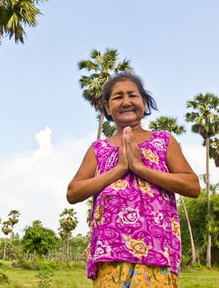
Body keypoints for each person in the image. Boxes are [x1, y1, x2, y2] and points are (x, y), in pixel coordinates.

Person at [67, 71, 200, 288]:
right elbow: (73, 193)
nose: (126, 101)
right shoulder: (98, 149)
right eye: (118, 97)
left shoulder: (163, 141)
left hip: (157, 254)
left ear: (144, 102)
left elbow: (193, 186)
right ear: (107, 107)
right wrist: (120, 168)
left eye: (132, 95)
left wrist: (139, 167)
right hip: (109, 255)